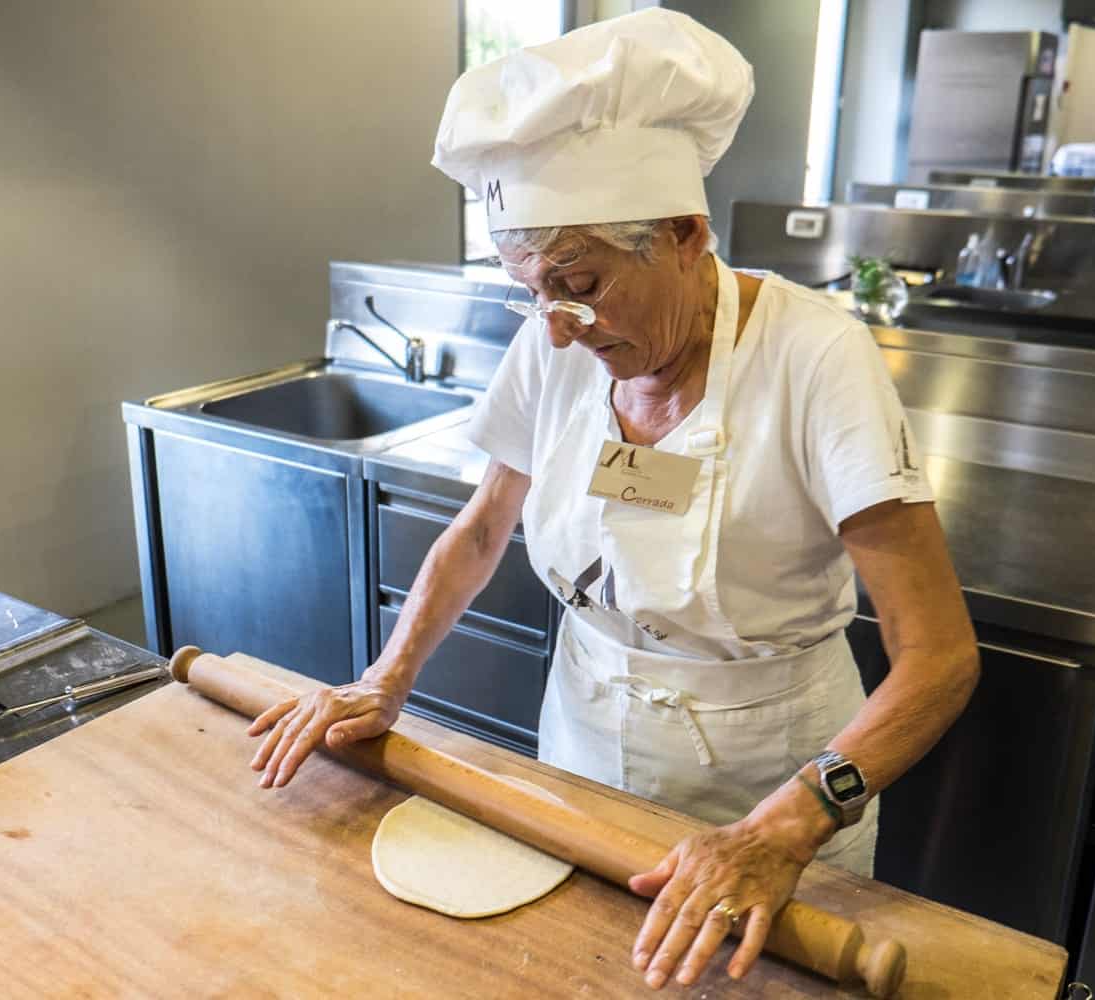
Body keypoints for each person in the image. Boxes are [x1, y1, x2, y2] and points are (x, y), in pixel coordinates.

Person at [249, 9, 978, 990]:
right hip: (584, 751)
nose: (556, 327)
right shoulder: (554, 346)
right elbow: (478, 533)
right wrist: (386, 678)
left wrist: (791, 822)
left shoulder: (815, 357)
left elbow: (939, 656)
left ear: (684, 235)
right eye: (532, 291)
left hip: (772, 783)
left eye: (581, 283)